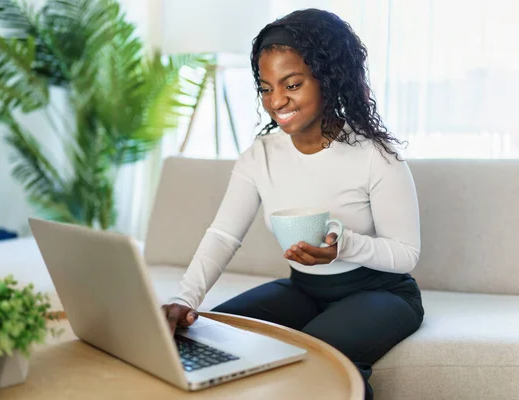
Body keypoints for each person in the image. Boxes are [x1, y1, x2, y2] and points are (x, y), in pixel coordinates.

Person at [161, 8, 424, 400]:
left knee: (312, 360)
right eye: (266, 88)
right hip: (302, 290)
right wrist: (185, 299)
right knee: (206, 334)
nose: (277, 101)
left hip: (381, 294)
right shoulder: (260, 155)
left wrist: (344, 247)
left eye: (292, 84)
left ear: (328, 79)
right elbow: (223, 234)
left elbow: (406, 255)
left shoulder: (376, 156)